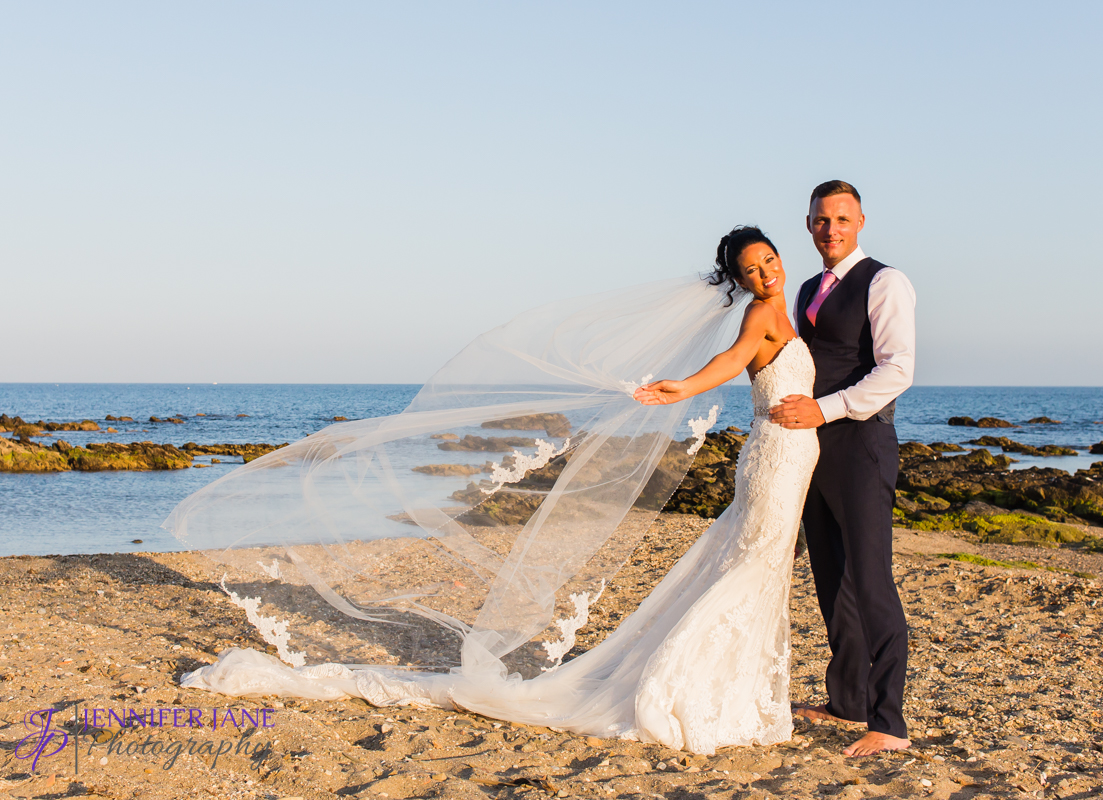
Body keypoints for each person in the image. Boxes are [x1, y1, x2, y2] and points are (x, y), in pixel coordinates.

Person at [174, 226, 818, 756]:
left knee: (752, 567)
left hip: (789, 455)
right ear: (737, 282)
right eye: (752, 269)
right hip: (775, 456)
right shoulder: (762, 315)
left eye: (769, 261)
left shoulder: (786, 308)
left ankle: (730, 688)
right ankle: (709, 692)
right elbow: (726, 367)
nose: (765, 274)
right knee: (749, 568)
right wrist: (677, 389)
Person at [769, 180, 917, 756]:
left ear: (860, 221)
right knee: (832, 579)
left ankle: (889, 721)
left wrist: (824, 409)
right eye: (820, 220)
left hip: (862, 445)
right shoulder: (808, 287)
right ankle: (848, 700)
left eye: (841, 219)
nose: (831, 229)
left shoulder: (885, 281)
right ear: (808, 225)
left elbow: (897, 369)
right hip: (813, 449)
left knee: (872, 580)